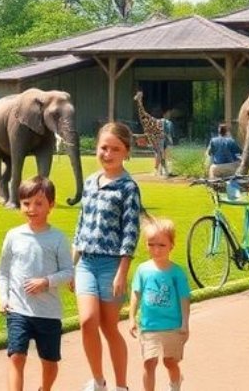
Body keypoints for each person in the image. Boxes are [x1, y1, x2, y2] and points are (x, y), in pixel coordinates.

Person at [72, 121, 143, 391]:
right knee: (88, 321)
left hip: (111, 264)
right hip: (86, 262)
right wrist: (72, 263)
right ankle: (98, 380)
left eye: (115, 149)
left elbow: (130, 232)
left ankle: (121, 385)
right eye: (103, 147)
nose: (108, 154)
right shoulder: (90, 182)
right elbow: (81, 225)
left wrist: (122, 272)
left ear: (126, 151)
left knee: (109, 327)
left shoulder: (128, 187)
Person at [0, 175, 74, 391]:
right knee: (16, 356)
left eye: (38, 203)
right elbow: (3, 271)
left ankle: (45, 388)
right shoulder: (13, 236)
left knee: (50, 361)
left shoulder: (57, 238)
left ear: (51, 205)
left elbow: (69, 272)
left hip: (48, 313)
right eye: (26, 203)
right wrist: (3, 297)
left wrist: (46, 281)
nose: (32, 208)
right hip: (18, 309)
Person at [128, 218, 191, 391]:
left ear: (171, 245)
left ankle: (175, 383)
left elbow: (184, 299)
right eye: (151, 244)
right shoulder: (142, 269)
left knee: (169, 362)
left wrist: (185, 323)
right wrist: (132, 317)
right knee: (149, 362)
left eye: (162, 245)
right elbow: (136, 293)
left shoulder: (177, 272)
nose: (156, 250)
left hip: (172, 325)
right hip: (149, 325)